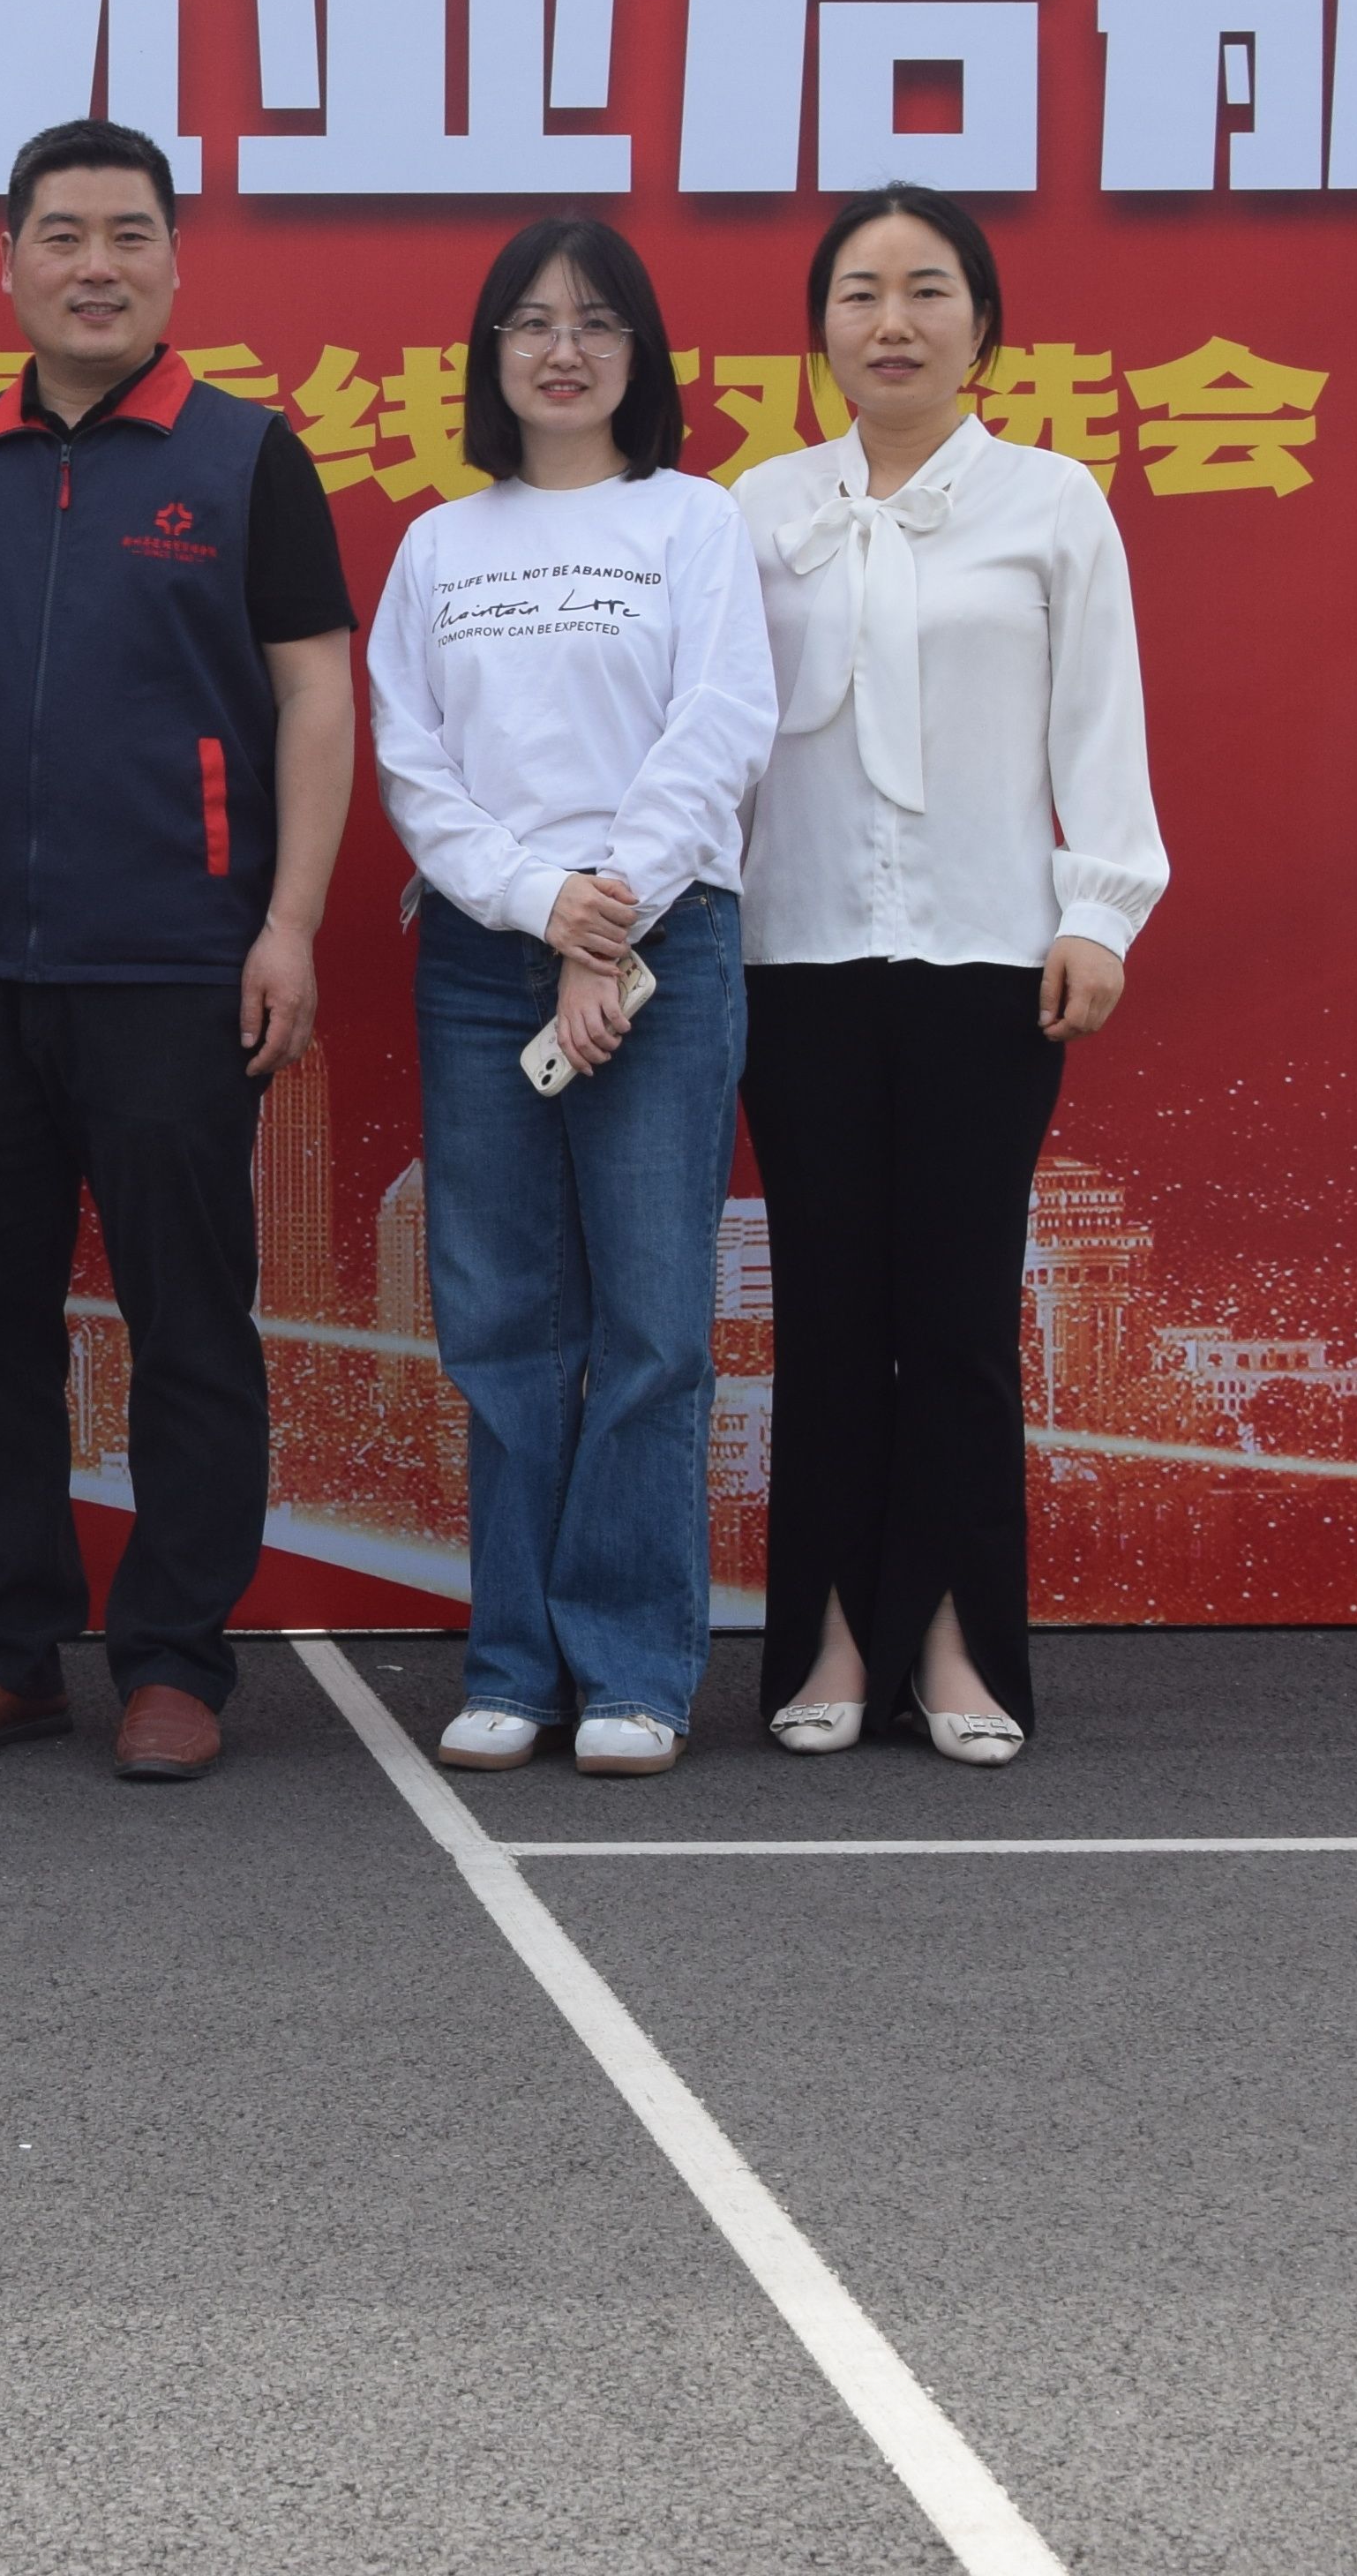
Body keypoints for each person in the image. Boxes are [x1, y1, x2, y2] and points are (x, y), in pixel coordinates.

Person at [0, 118, 356, 1786]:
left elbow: (313, 690)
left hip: (175, 964)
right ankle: (7, 1652)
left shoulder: (245, 455)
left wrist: (285, 922)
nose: (96, 266)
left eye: (129, 234)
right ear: (8, 265)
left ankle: (175, 1662)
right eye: (61, 235)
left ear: (175, 263)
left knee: (188, 1325)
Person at [738, 187, 1165, 1771]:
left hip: (992, 957)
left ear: (984, 324)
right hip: (795, 957)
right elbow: (716, 741)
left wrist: (1100, 908)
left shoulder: (1051, 502)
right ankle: (832, 1635)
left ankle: (959, 1639)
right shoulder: (758, 510)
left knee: (963, 1318)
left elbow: (1099, 719)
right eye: (860, 292)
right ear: (821, 330)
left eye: (928, 290)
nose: (894, 321)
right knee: (828, 1313)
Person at [369, 214, 776, 1781]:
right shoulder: (438, 546)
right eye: (531, 323)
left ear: (639, 355)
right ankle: (514, 1666)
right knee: (503, 1323)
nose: (563, 350)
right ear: (490, 358)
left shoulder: (693, 521)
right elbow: (412, 761)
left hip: (666, 949)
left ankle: (633, 1670)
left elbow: (721, 722)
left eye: (597, 322)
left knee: (654, 1326)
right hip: (487, 957)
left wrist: (607, 920)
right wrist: (543, 909)